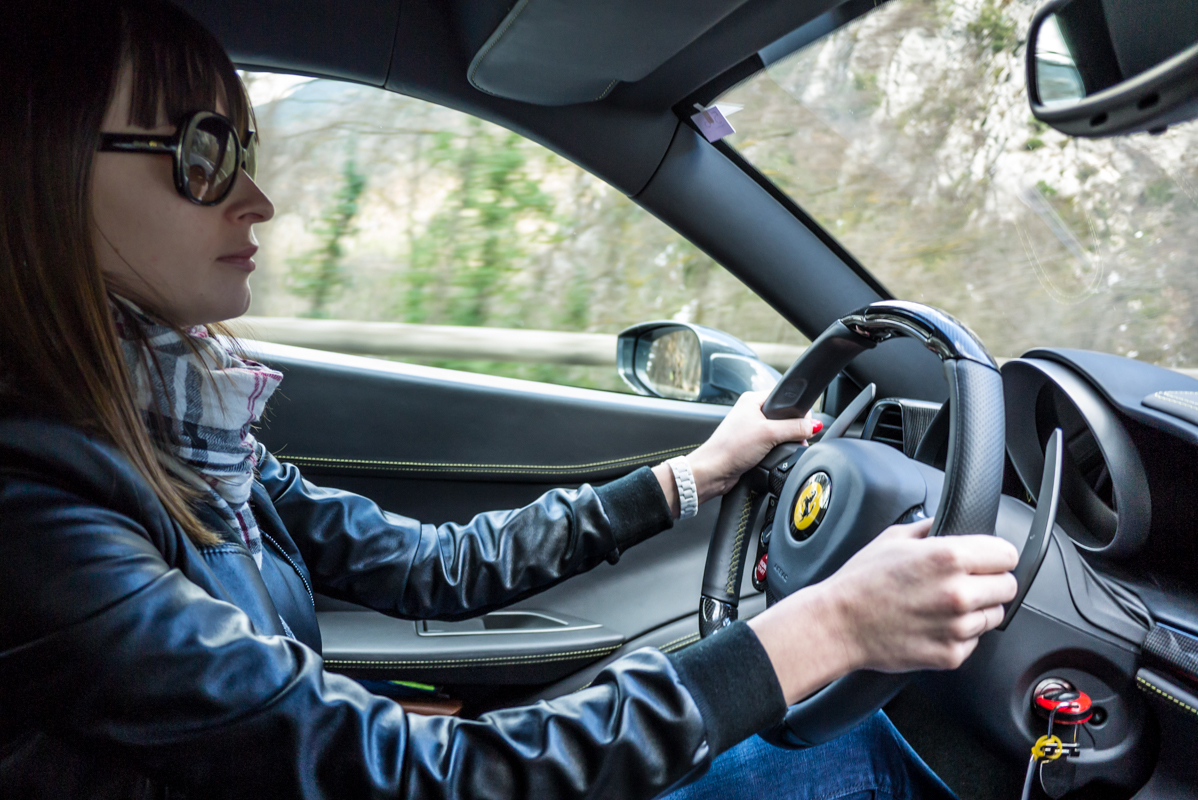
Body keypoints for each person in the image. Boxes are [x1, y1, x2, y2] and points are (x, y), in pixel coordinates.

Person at [0, 2, 1019, 798]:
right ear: (39, 168)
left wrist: (690, 475)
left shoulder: (188, 433)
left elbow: (424, 566)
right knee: (867, 759)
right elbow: (414, 778)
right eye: (202, 154)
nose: (256, 200)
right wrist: (826, 627)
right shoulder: (37, 515)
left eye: (245, 153)